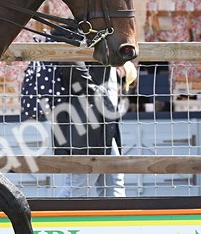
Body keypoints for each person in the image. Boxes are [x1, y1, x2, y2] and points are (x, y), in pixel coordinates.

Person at [51, 57, 138, 197]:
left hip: (103, 119)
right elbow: (70, 61)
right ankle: (56, 212)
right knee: (79, 186)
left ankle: (117, 211)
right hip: (86, 119)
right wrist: (98, 91)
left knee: (112, 181)